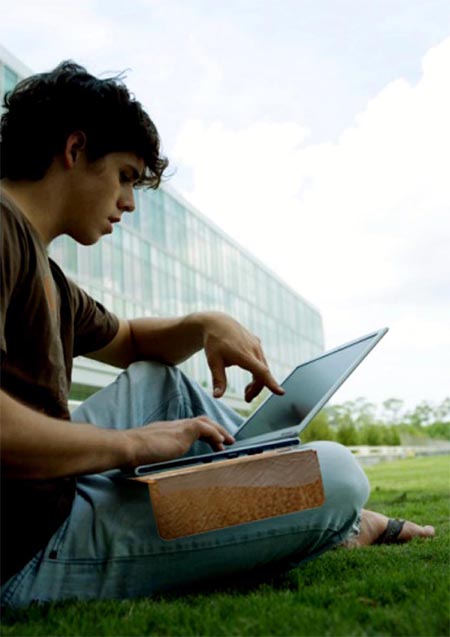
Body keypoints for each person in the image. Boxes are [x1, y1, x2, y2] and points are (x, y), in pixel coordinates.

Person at [0, 62, 434, 607]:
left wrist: (208, 322)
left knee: (161, 381)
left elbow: (131, 340)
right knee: (339, 475)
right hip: (26, 548)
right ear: (75, 149)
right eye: (126, 176)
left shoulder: (49, 274)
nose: (130, 202)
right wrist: (133, 443)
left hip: (54, 492)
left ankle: (291, 488)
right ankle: (327, 512)